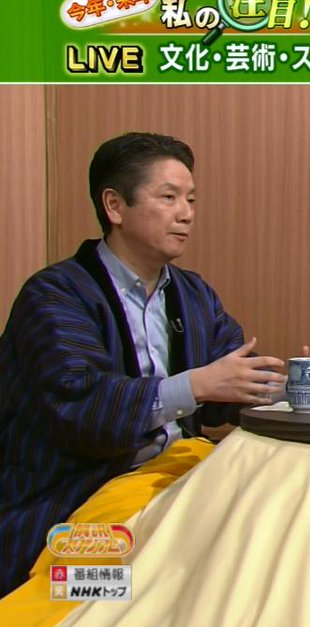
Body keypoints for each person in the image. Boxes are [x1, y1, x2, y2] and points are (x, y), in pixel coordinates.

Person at [0, 132, 288, 595]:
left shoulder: (193, 294)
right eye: (169, 197)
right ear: (115, 206)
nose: (186, 213)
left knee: (268, 554)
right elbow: (81, 405)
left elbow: (228, 387)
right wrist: (195, 385)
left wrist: (284, 390)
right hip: (74, 503)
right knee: (127, 594)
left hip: (177, 489)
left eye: (191, 199)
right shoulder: (54, 295)